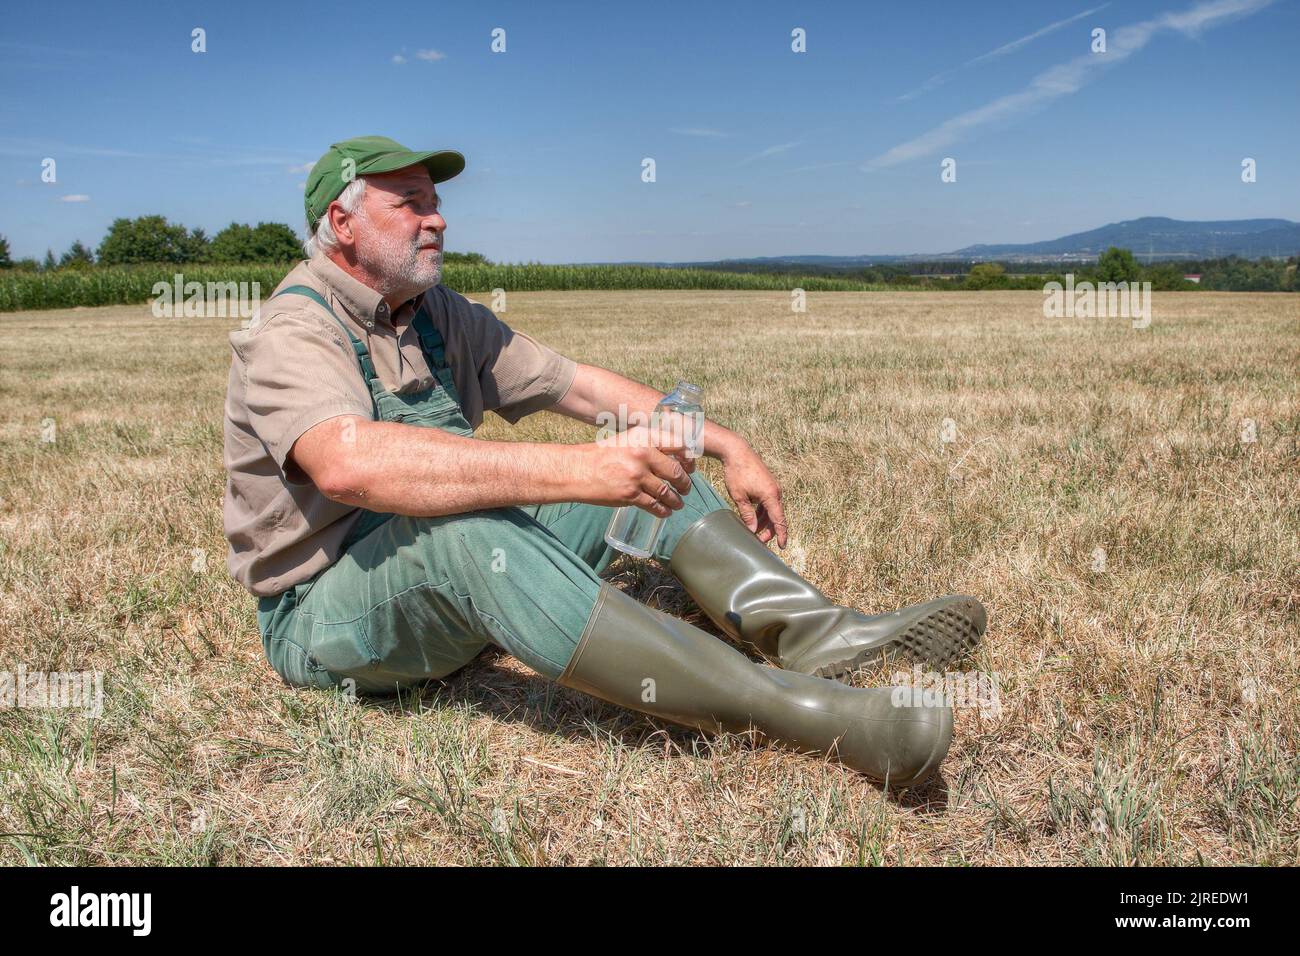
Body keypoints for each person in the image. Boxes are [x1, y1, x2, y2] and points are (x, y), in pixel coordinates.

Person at [222, 135, 988, 786]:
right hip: (323, 616)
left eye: (436, 201)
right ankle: (814, 716)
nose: (438, 217)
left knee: (649, 464)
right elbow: (351, 465)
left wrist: (723, 443)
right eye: (412, 202)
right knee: (462, 536)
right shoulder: (295, 329)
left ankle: (818, 634)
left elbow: (580, 389)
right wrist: (582, 472)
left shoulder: (432, 313)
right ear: (343, 223)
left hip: (431, 589)